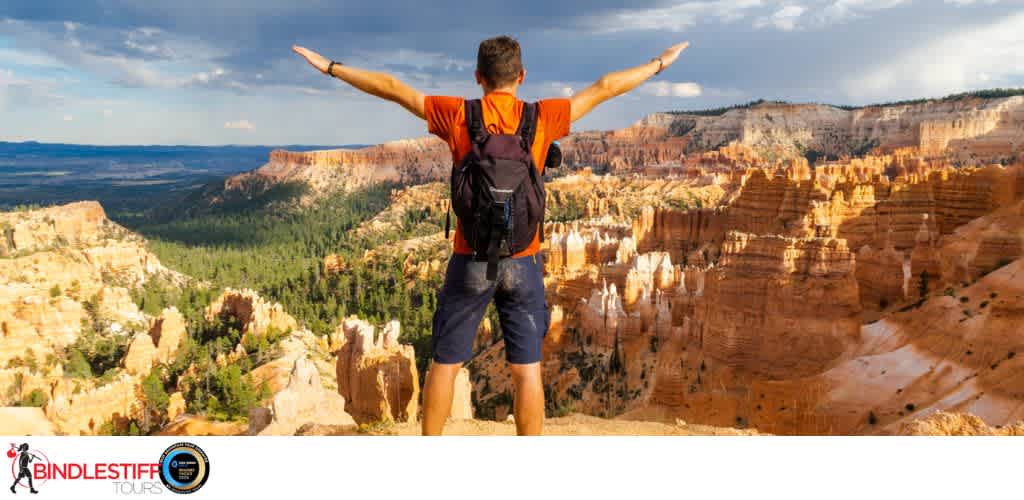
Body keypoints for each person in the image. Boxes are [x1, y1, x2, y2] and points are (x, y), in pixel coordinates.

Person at [293, 36, 689, 435]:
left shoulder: (458, 114)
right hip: (524, 259)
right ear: (521, 76)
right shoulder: (541, 116)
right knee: (526, 371)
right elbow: (605, 87)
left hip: (471, 259)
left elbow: (394, 89)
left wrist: (330, 66)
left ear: (478, 77)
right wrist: (660, 63)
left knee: (445, 365)